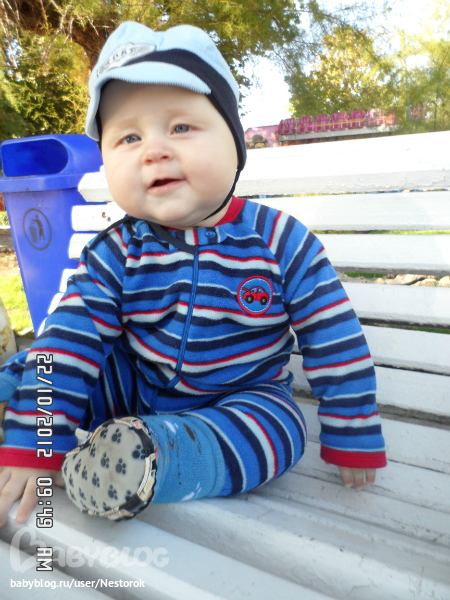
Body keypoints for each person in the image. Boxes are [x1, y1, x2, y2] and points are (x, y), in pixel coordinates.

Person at [0, 21, 387, 525]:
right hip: (135, 385)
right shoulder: (117, 251)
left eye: (181, 128)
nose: (153, 150)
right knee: (49, 359)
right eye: (129, 137)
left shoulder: (281, 241)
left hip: (244, 395)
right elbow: (69, 342)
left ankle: (154, 461)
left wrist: (353, 429)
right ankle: (18, 416)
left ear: (235, 143)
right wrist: (35, 440)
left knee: (278, 432)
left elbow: (335, 340)